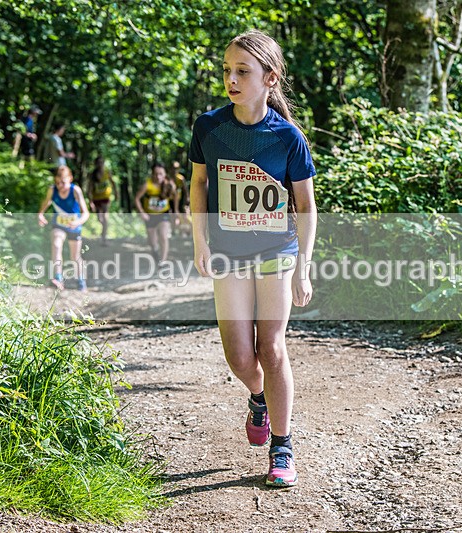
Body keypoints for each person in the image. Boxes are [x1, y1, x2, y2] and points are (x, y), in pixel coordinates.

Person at [188, 30, 317, 488]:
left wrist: (303, 265)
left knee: (272, 347)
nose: (232, 79)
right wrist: (201, 242)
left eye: (243, 71)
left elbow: (306, 206)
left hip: (275, 253)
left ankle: (282, 447)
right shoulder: (209, 127)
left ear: (270, 78)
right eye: (227, 70)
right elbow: (199, 187)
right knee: (240, 356)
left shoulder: (287, 138)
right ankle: (257, 396)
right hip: (227, 253)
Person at [37, 165, 90, 291]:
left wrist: (78, 222)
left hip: (74, 226)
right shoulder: (52, 190)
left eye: (63, 182)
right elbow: (47, 202)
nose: (60, 185)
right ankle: (58, 277)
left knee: (75, 256)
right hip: (59, 224)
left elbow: (86, 213)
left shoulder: (75, 190)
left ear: (70, 179)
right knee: (56, 244)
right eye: (57, 182)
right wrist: (40, 214)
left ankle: (81, 280)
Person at [135, 162, 176, 265]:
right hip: (150, 216)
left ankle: (163, 262)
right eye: (156, 174)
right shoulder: (147, 185)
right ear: (152, 174)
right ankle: (155, 251)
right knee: (152, 242)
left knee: (163, 236)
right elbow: (137, 199)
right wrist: (142, 212)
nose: (158, 176)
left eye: (161, 174)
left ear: (165, 173)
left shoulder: (169, 184)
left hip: (163, 214)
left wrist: (175, 211)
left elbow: (175, 197)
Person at [88, 155, 119, 245]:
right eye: (98, 163)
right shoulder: (92, 174)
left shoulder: (107, 172)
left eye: (101, 162)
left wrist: (116, 193)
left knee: (105, 217)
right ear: (95, 164)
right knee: (99, 218)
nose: (100, 164)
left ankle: (104, 238)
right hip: (96, 198)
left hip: (105, 198)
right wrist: (90, 202)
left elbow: (112, 182)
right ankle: (104, 229)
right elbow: (89, 188)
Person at [169, 160, 191, 236]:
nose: (175, 170)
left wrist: (187, 198)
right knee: (172, 215)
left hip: (180, 200)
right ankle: (173, 230)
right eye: (173, 168)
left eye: (177, 168)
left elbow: (185, 190)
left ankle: (186, 230)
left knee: (183, 215)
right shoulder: (168, 179)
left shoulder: (181, 179)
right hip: (170, 200)